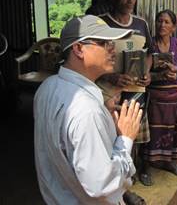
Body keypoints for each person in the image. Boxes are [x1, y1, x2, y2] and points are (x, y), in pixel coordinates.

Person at [34, 15, 143, 204]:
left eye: (112, 42)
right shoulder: (86, 111)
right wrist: (126, 138)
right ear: (78, 48)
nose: (113, 48)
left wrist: (101, 112)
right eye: (103, 42)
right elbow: (101, 185)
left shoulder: (47, 87)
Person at [96, 0, 154, 197]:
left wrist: (147, 72)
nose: (130, 0)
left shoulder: (141, 23)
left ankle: (130, 178)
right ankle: (114, 185)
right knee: (110, 137)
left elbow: (149, 53)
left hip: (135, 91)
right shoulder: (101, 23)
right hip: (109, 93)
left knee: (135, 136)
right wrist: (110, 76)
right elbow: (93, 58)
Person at [142, 9, 177, 182]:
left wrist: (175, 70)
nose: (162, 24)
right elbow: (145, 73)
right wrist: (154, 76)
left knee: (172, 129)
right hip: (156, 97)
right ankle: (146, 168)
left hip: (173, 97)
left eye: (167, 22)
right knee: (152, 130)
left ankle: (170, 162)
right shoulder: (151, 45)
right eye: (160, 21)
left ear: (173, 27)